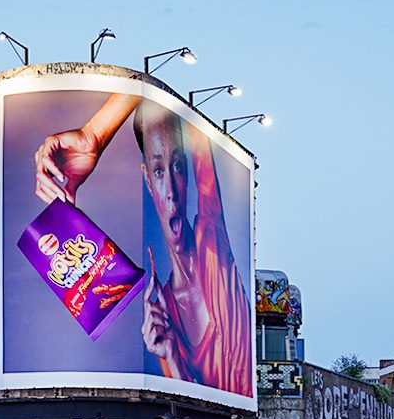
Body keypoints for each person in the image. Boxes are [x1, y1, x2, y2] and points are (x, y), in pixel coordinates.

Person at [33, 96, 253, 397]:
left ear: (188, 174)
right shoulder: (162, 312)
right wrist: (169, 355)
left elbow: (198, 135)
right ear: (148, 180)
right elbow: (190, 406)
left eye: (176, 166)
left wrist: (93, 134)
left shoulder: (211, 240)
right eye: (159, 171)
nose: (172, 194)